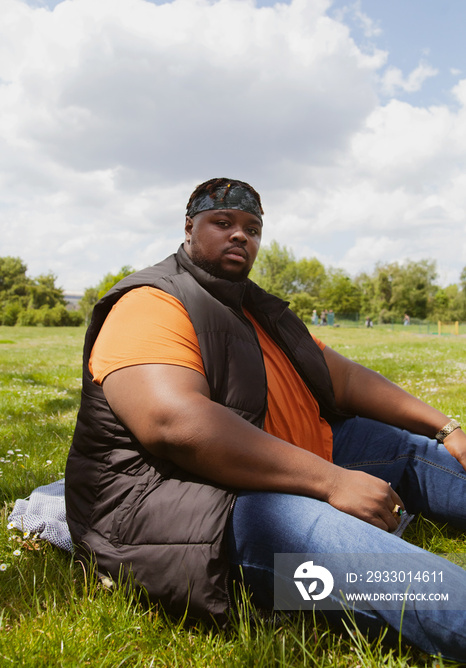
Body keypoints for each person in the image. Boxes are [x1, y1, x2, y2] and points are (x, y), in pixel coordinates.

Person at [65, 178, 466, 661]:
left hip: (281, 463)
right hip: (190, 504)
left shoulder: (255, 307)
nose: (241, 236)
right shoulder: (150, 301)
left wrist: (448, 429)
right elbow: (172, 423)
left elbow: (345, 380)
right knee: (352, 552)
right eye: (223, 223)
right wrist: (332, 482)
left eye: (252, 229)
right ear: (189, 227)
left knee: (410, 447)